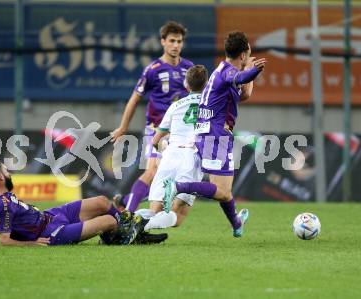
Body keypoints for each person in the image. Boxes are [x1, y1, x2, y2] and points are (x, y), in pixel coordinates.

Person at [163, 31, 267, 237]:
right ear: (244, 55)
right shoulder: (228, 73)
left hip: (209, 134)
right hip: (215, 135)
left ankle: (237, 225)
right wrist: (253, 71)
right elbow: (240, 77)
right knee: (221, 191)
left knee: (225, 191)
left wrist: (248, 70)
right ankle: (176, 187)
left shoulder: (222, 70)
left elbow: (244, 94)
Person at [0, 162, 154, 247]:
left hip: (51, 215)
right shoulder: (2, 205)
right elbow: (4, 240)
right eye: (5, 170)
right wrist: (33, 243)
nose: (9, 172)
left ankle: (126, 228)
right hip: (52, 232)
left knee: (102, 202)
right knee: (107, 220)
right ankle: (121, 234)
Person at [110, 21, 194, 212]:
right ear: (163, 41)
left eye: (179, 41)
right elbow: (134, 99)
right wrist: (123, 127)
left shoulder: (189, 68)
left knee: (173, 177)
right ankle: (128, 215)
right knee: (153, 171)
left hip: (180, 133)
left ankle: (126, 201)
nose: (176, 45)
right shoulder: (153, 69)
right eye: (172, 41)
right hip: (157, 129)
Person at [134, 65, 207, 230]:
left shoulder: (175, 106)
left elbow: (155, 140)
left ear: (186, 85)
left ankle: (129, 221)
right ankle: (144, 227)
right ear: (206, 85)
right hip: (192, 157)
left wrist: (162, 153)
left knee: (155, 209)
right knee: (178, 215)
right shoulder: (211, 106)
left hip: (171, 154)